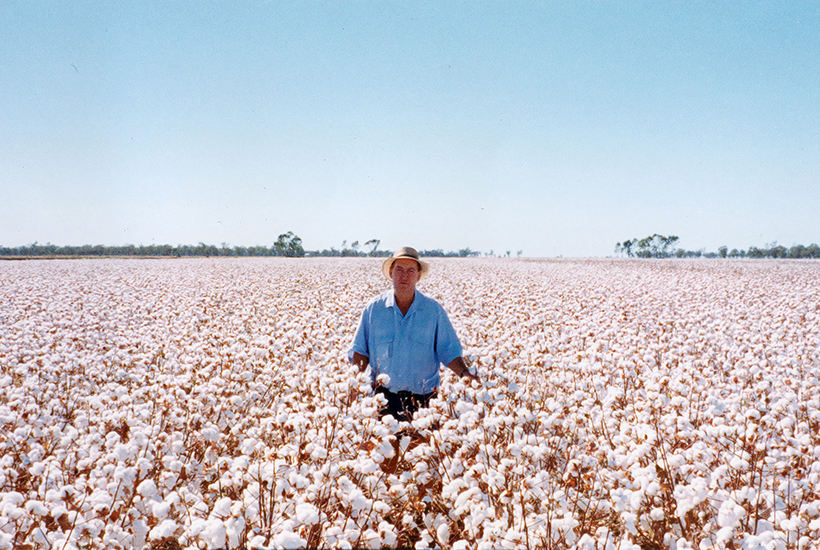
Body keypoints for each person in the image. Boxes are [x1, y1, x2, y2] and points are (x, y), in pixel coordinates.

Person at [349, 246, 479, 422]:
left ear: (418, 276)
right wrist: (354, 387)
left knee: (422, 448)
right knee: (384, 448)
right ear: (391, 273)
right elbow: (360, 352)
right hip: (382, 399)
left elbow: (449, 351)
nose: (405, 276)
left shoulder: (433, 311)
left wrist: (465, 374)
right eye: (399, 270)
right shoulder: (374, 309)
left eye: (411, 270)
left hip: (424, 402)